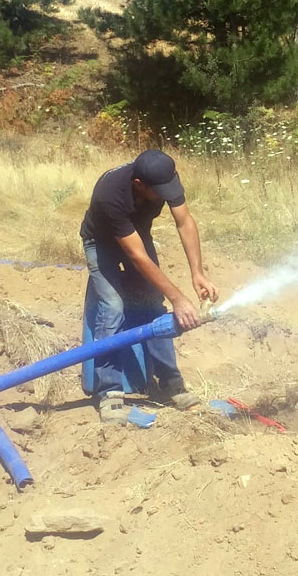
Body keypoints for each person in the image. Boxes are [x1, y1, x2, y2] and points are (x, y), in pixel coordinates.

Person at [79, 149, 219, 424]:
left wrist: (197, 273)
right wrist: (178, 298)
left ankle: (170, 384)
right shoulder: (111, 193)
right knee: (113, 307)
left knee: (152, 304)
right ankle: (109, 391)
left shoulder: (163, 175)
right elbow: (137, 256)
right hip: (101, 242)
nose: (168, 196)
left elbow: (184, 221)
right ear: (139, 185)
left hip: (137, 235)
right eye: (161, 192)